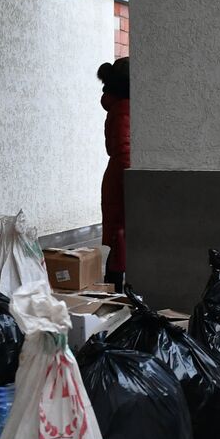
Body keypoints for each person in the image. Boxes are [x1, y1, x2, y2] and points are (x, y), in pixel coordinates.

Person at [97, 57, 130, 292]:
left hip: (118, 176)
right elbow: (125, 149)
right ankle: (115, 290)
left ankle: (114, 287)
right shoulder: (124, 108)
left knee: (116, 234)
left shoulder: (120, 107)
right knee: (119, 235)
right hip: (123, 178)